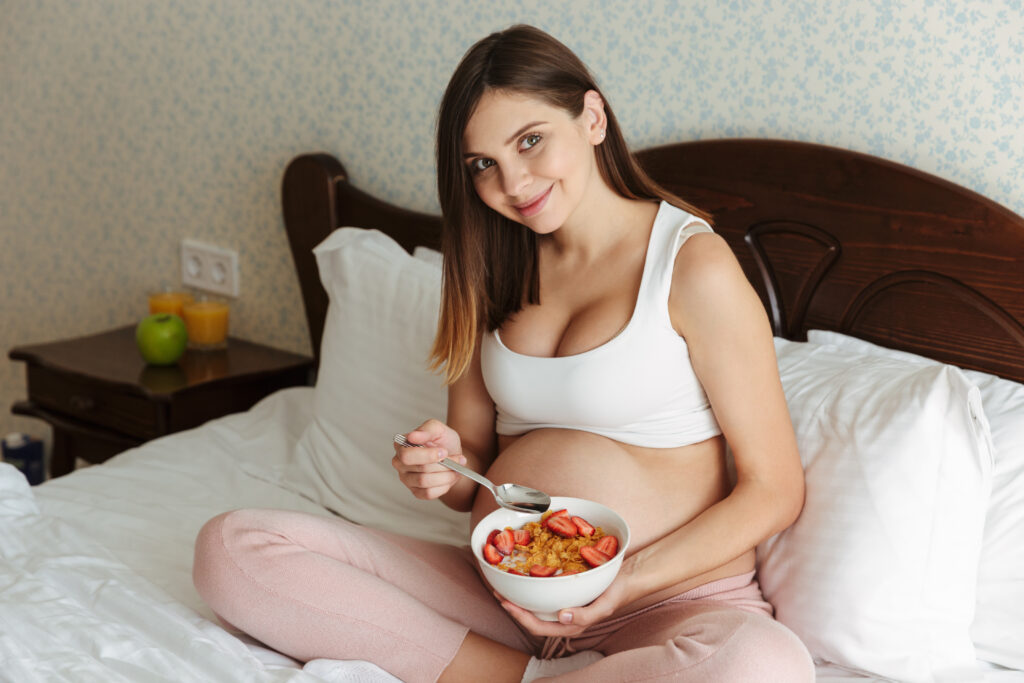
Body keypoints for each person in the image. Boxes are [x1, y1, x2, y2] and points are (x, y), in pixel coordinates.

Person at [193, 24, 814, 683]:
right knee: (231, 550)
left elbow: (774, 488)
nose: (513, 182)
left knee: (763, 665)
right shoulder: (485, 275)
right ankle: (516, 673)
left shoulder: (691, 265)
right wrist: (444, 468)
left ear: (593, 117)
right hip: (506, 596)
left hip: (666, 603)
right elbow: (472, 475)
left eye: (530, 140)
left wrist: (625, 581)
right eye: (483, 164)